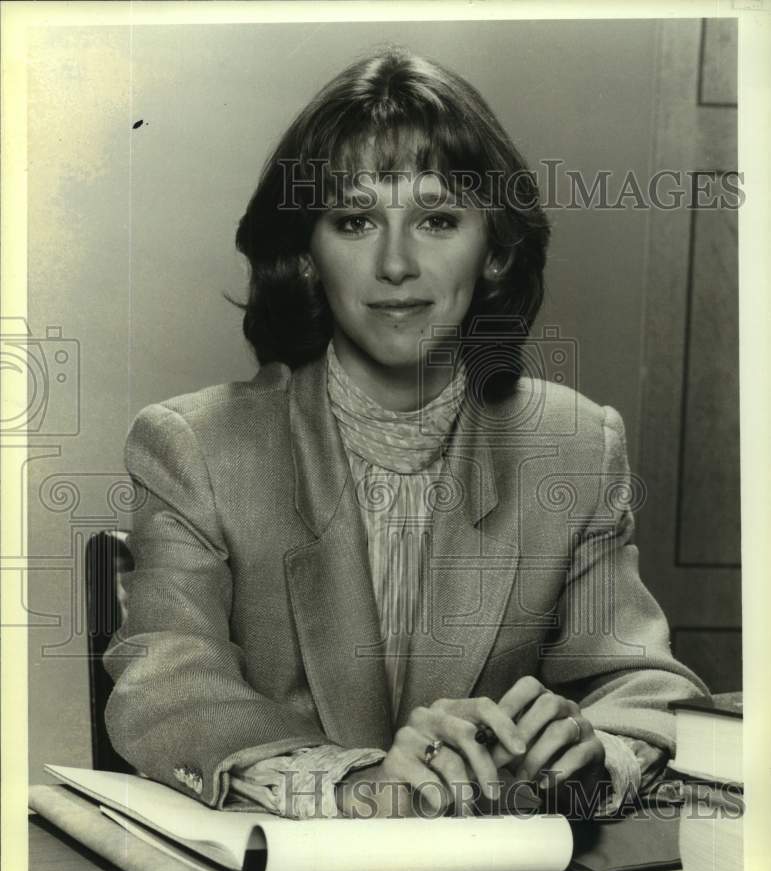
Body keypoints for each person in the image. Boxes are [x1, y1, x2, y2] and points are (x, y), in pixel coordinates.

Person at [104, 48, 707, 821]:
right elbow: (167, 686)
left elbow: (645, 686)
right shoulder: (194, 445)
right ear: (305, 253)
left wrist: (593, 750)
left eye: (437, 219)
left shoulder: (575, 444)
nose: (395, 263)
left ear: (495, 250)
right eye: (354, 220)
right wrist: (356, 783)